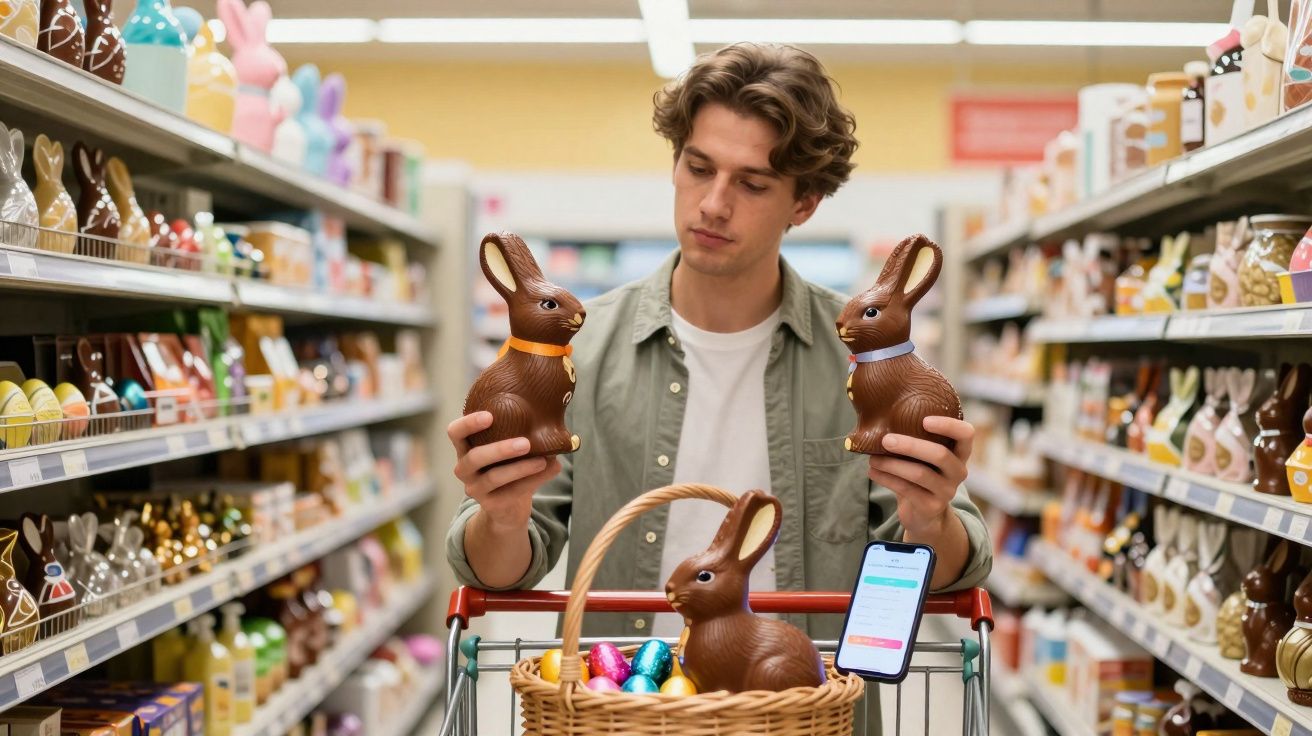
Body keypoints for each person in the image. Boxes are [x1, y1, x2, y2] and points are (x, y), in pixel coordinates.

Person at [445, 43, 991, 643]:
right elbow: (498, 573)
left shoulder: (865, 357)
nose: (712, 205)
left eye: (752, 184)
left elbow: (952, 571)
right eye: (699, 168)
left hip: (809, 692)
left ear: (804, 203)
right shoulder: (577, 350)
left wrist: (929, 519)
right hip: (621, 692)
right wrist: (502, 519)